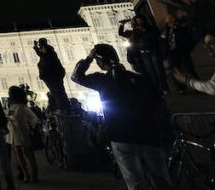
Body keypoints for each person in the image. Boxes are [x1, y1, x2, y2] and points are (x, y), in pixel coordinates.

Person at [72, 43, 175, 190]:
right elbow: (157, 103)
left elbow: (76, 76)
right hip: (149, 136)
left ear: (100, 62)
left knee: (136, 183)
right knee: (162, 181)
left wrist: (88, 59)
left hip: (121, 138)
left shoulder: (102, 81)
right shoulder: (140, 79)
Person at [119, 17, 169, 94]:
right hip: (143, 54)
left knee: (159, 70)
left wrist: (144, 30)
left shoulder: (150, 29)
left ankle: (164, 88)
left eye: (139, 21)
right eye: (136, 22)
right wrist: (122, 24)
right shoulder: (134, 32)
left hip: (152, 51)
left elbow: (155, 37)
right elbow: (121, 33)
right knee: (151, 72)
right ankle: (157, 89)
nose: (138, 23)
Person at [6, 85, 39, 183]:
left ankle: (33, 175)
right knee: (19, 154)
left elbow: (15, 117)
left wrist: (30, 127)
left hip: (22, 132)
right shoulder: (11, 105)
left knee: (27, 154)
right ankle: (26, 174)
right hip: (13, 132)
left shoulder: (21, 106)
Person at [162, 15, 198, 95]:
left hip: (182, 51)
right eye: (167, 19)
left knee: (189, 69)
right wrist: (165, 53)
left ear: (174, 19)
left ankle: (196, 86)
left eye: (170, 18)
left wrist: (187, 48)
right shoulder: (165, 30)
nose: (168, 20)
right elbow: (163, 41)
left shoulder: (180, 27)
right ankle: (181, 88)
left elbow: (188, 38)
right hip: (172, 53)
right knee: (176, 70)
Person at [34, 38, 70, 111]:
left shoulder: (47, 51)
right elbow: (41, 54)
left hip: (52, 76)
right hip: (53, 75)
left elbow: (42, 55)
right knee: (57, 92)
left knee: (57, 92)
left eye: (40, 45)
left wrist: (36, 48)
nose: (40, 48)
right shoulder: (48, 51)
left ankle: (63, 108)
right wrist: (36, 48)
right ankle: (63, 107)